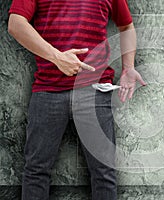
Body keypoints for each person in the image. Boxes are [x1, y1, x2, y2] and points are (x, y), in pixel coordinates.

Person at [8, 0, 146, 199]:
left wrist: (129, 67)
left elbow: (126, 26)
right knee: (36, 171)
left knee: (104, 173)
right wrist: (57, 57)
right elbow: (16, 23)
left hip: (95, 92)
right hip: (48, 91)